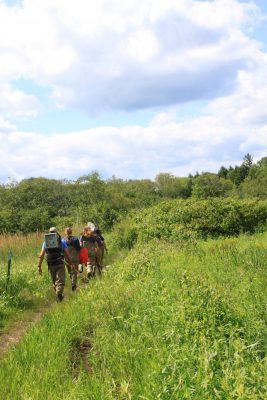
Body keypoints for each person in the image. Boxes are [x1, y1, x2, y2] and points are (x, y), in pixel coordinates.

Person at [37, 227, 75, 302]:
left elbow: (41, 255)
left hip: (50, 264)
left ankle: (58, 295)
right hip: (60, 262)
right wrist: (71, 264)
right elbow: (67, 255)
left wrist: (39, 266)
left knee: (54, 281)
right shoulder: (62, 241)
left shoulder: (45, 242)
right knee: (60, 280)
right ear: (56, 232)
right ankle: (59, 293)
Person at [62, 227, 81, 291]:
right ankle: (73, 284)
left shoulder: (63, 240)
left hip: (67, 259)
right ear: (71, 231)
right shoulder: (75, 239)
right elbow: (79, 249)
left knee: (70, 271)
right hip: (74, 258)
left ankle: (72, 282)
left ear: (65, 232)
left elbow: (62, 250)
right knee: (74, 272)